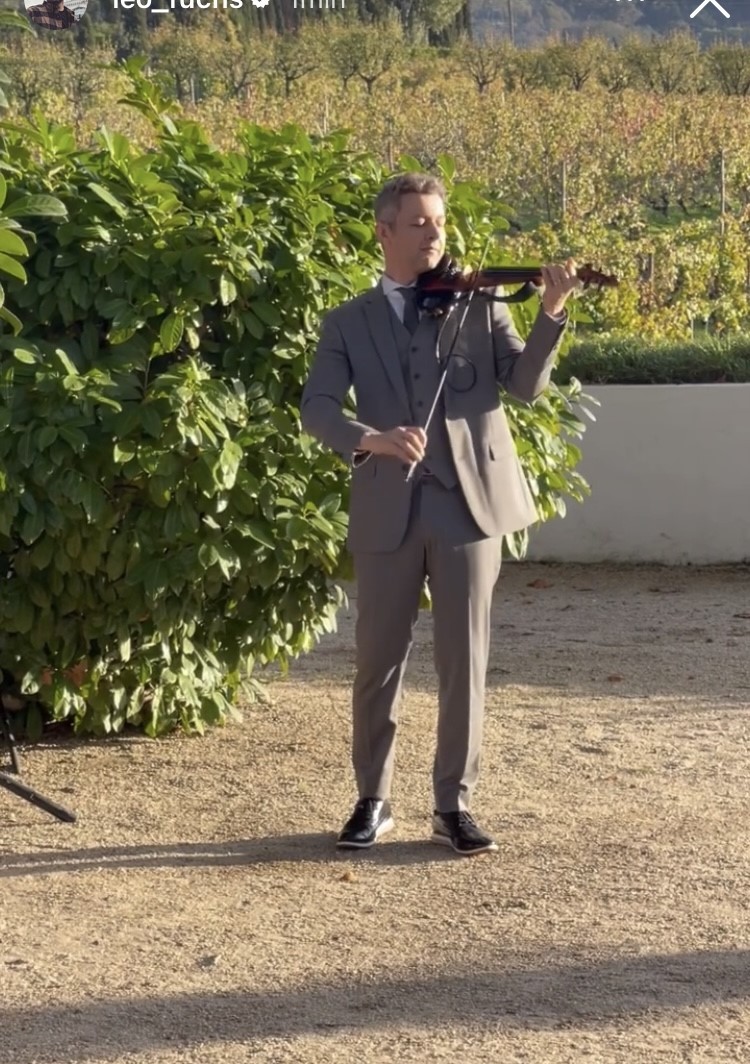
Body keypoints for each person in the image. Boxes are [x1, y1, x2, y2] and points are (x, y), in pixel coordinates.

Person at [300, 172, 579, 856]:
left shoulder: (481, 305)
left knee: (465, 661)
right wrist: (373, 439)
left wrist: (551, 312)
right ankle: (373, 798)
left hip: (467, 509)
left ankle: (453, 804)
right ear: (384, 230)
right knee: (377, 664)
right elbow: (318, 411)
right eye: (419, 223)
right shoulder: (348, 321)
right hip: (386, 509)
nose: (433, 234)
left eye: (440, 223)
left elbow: (525, 387)